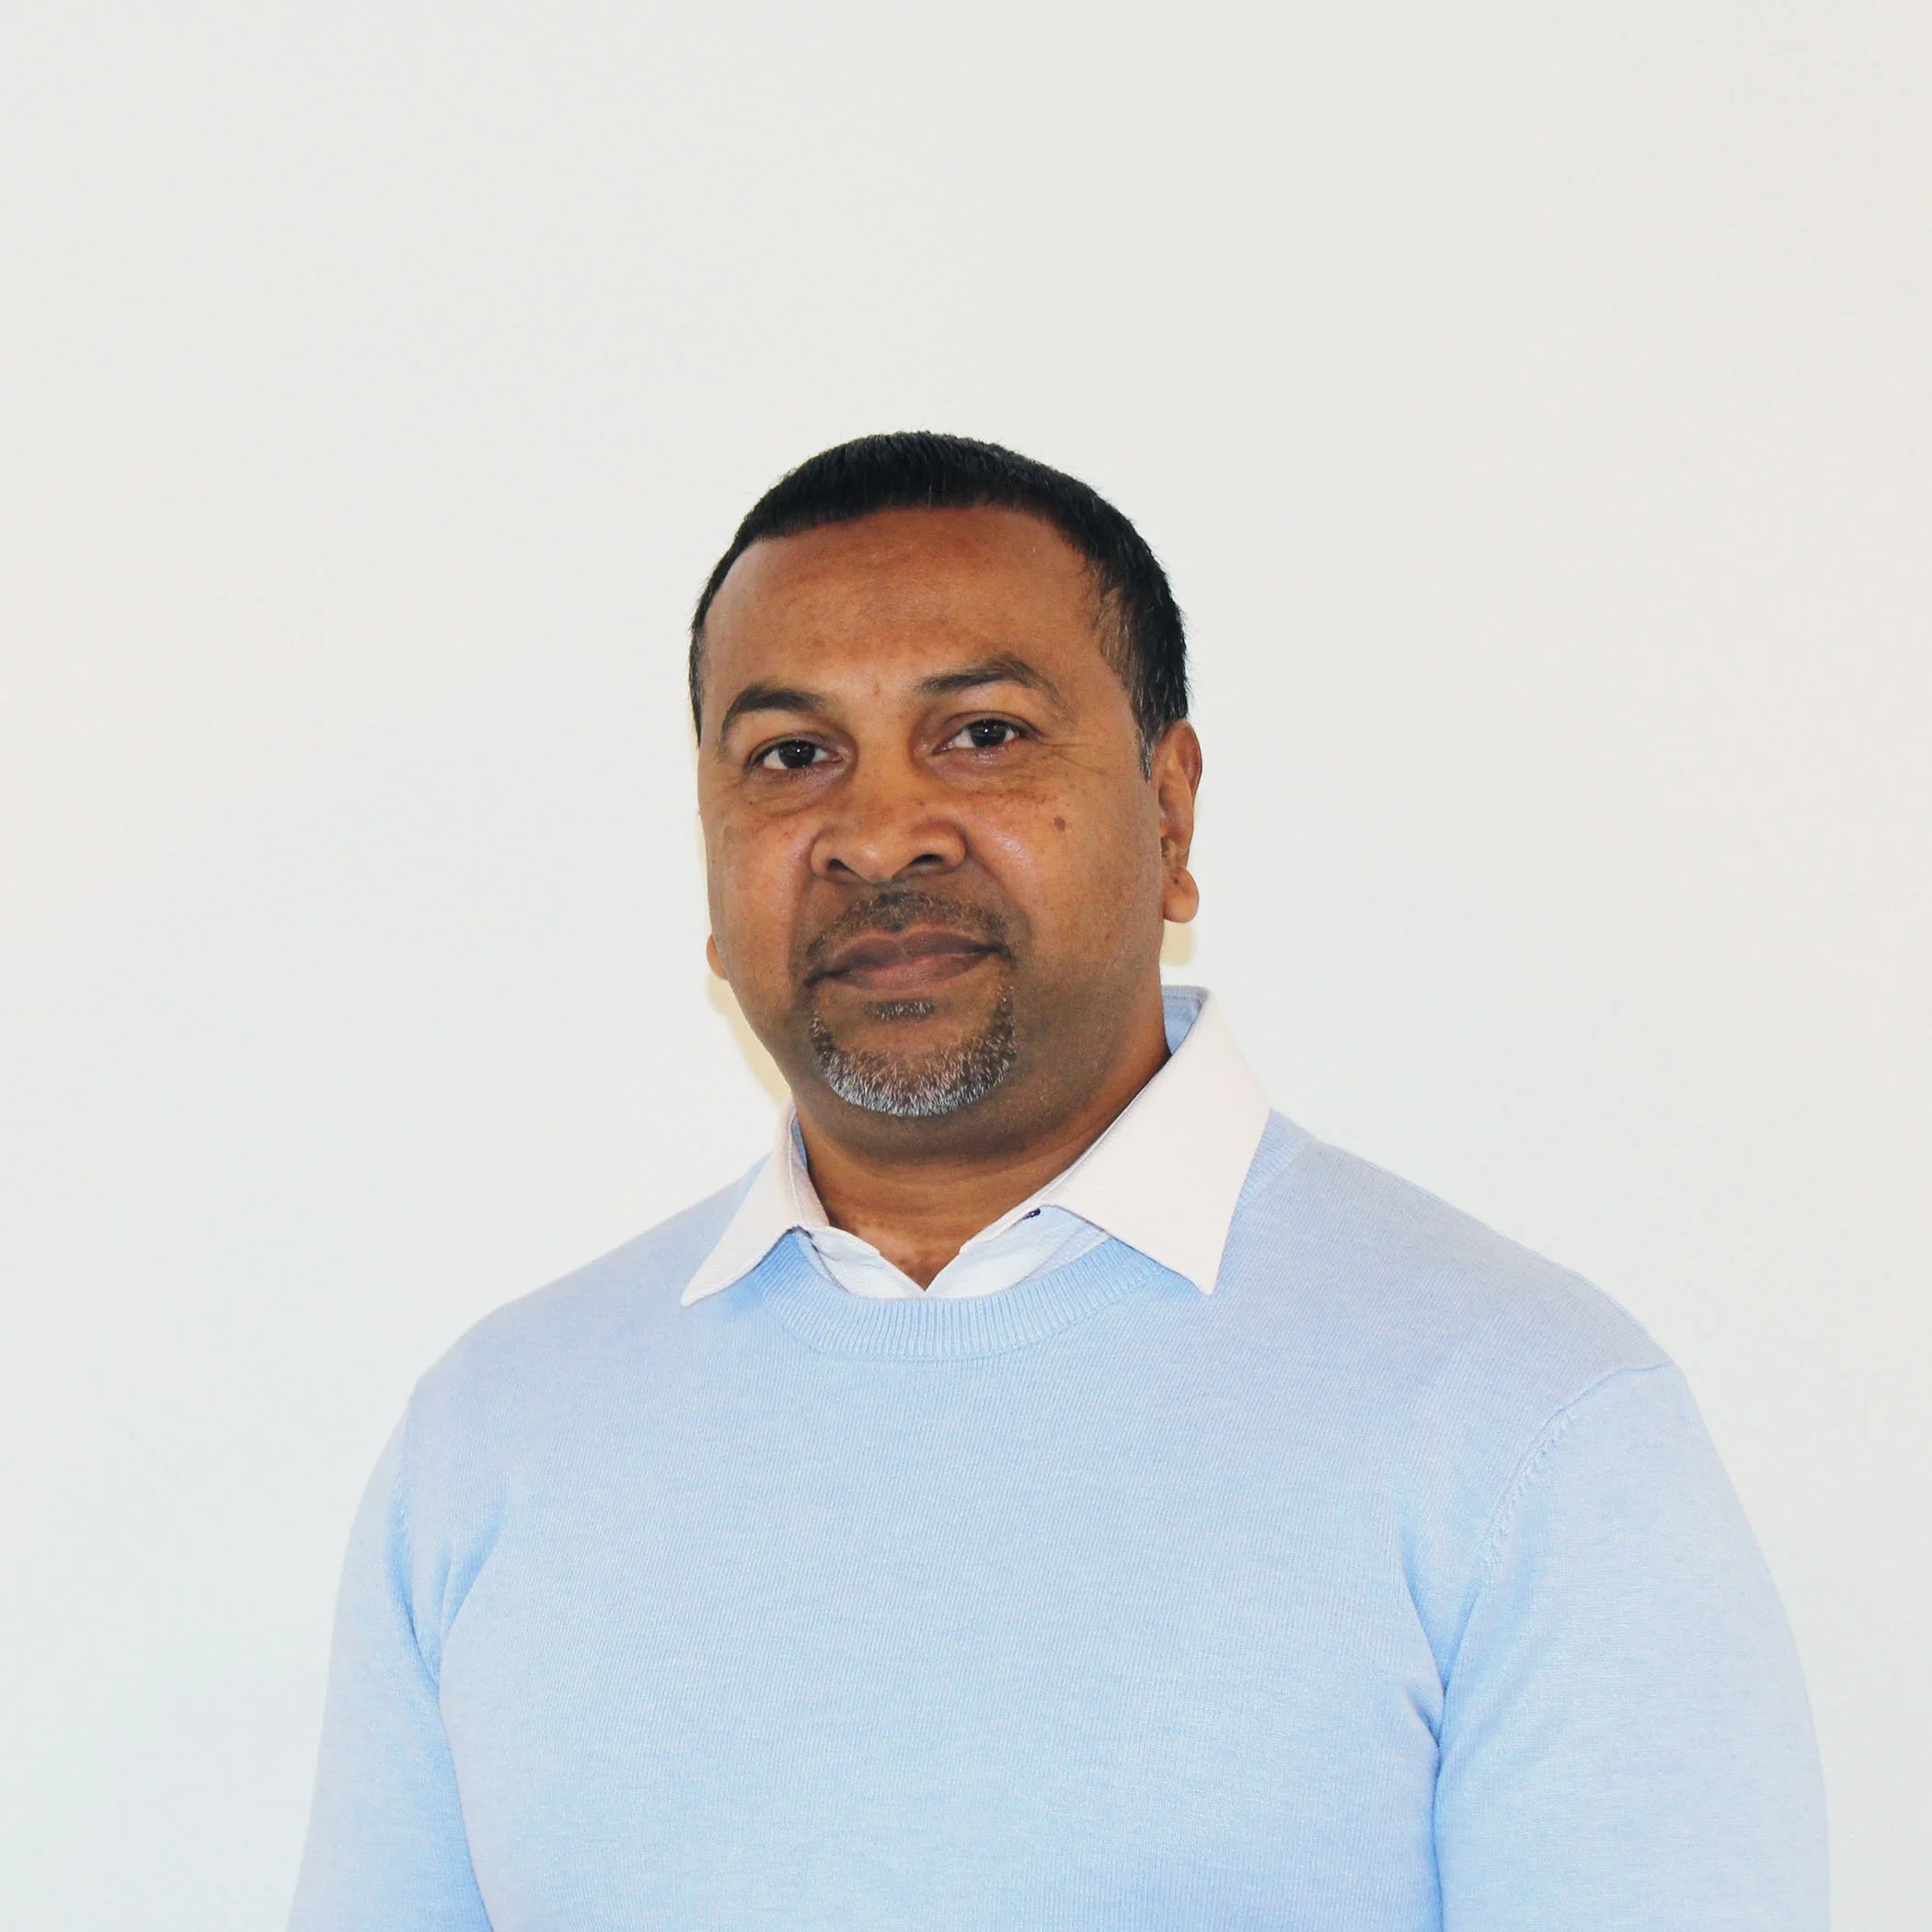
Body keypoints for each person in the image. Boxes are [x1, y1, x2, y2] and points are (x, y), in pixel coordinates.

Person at [289, 432, 1827, 1929]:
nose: (879, 833)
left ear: (1173, 809)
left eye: (985, 735)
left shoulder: (1529, 1427)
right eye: (791, 757)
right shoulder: (495, 1442)